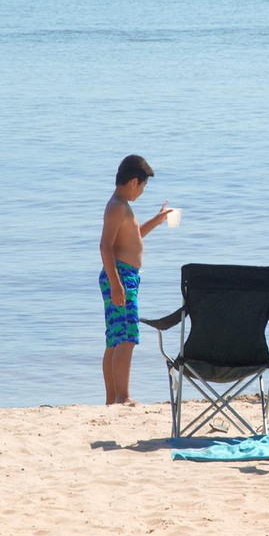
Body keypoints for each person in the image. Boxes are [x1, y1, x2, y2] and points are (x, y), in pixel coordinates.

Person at [99, 154, 170, 406]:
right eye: (143, 186)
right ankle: (123, 395)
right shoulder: (117, 207)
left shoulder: (121, 205)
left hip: (121, 275)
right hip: (121, 276)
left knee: (115, 337)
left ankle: (112, 398)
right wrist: (116, 283)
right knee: (127, 337)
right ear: (133, 182)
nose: (142, 191)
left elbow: (132, 238)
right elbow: (105, 246)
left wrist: (156, 221)